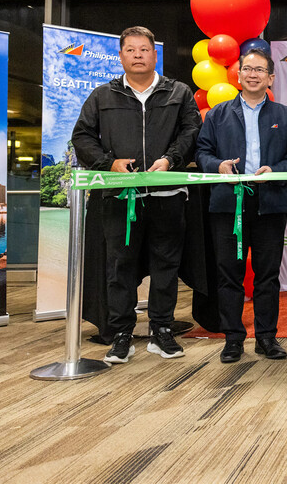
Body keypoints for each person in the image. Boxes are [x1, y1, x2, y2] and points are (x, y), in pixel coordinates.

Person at [72, 26, 200, 364]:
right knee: (120, 267)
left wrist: (171, 159)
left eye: (144, 49)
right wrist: (108, 163)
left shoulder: (179, 92)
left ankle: (162, 330)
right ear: (121, 56)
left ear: (155, 54)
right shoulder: (103, 95)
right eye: (131, 50)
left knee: (166, 266)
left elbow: (192, 130)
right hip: (119, 199)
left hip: (168, 194)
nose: (138, 55)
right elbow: (82, 137)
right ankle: (121, 335)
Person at [195, 48, 287, 363]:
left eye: (260, 70)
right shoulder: (217, 114)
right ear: (238, 75)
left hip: (269, 204)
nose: (253, 74)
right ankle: (232, 339)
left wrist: (276, 171)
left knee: (267, 275)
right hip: (228, 204)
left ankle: (267, 338)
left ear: (270, 77)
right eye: (248, 69)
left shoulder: (285, 116)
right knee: (228, 274)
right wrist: (218, 166)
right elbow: (202, 152)